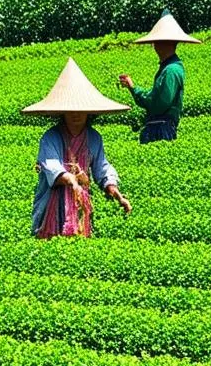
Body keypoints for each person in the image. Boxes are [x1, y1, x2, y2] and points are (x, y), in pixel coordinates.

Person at [22, 58, 132, 238]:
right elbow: (51, 166)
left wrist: (117, 194)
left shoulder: (94, 138)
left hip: (81, 203)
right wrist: (72, 181)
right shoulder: (51, 137)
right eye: (70, 109)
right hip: (54, 204)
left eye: (80, 109)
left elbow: (101, 168)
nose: (75, 114)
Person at [118, 10, 201, 144]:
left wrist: (136, 91)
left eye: (157, 42)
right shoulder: (167, 68)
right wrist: (132, 87)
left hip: (161, 128)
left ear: (166, 42)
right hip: (158, 126)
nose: (154, 45)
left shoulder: (171, 70)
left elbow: (159, 104)